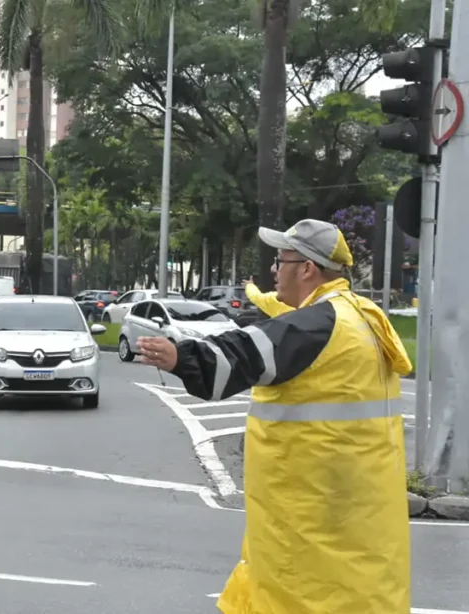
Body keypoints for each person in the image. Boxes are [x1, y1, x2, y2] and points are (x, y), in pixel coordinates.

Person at [136, 219, 412, 614]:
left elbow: (242, 356)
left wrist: (182, 357)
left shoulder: (318, 326)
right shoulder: (362, 317)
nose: (273, 269)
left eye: (280, 260)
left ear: (307, 268)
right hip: (354, 520)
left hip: (309, 527)